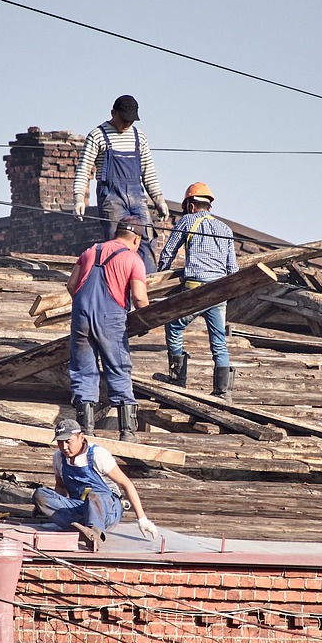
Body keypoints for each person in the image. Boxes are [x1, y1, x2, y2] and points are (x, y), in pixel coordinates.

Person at [67, 222, 150, 441]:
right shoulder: (133, 259)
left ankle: (85, 430)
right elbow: (140, 297)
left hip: (81, 316)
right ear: (136, 240)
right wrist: (148, 319)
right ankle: (127, 432)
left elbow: (71, 285)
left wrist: (87, 306)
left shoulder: (90, 251)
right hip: (111, 318)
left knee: (83, 370)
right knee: (118, 368)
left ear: (116, 234)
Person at [156, 182, 239, 400]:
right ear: (209, 205)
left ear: (191, 206)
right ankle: (223, 392)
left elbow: (167, 254)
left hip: (195, 289)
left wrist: (159, 279)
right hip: (219, 290)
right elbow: (233, 269)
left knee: (174, 326)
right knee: (219, 341)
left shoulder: (187, 220)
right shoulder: (225, 229)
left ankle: (178, 380)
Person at [71, 94, 170, 273]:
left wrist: (159, 200)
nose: (127, 124)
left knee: (145, 238)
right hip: (111, 198)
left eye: (131, 120)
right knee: (117, 243)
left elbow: (148, 171)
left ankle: (144, 284)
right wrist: (79, 198)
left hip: (137, 197)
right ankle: (118, 281)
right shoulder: (97, 135)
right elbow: (83, 169)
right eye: (124, 119)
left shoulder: (139, 136)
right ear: (113, 113)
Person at [33, 418, 157, 551]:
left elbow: (126, 484)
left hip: (107, 508)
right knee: (40, 494)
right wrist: (48, 506)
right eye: (59, 442)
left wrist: (142, 519)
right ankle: (78, 529)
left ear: (81, 437)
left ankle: (94, 533)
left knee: (93, 496)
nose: (64, 447)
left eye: (68, 442)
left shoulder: (98, 455)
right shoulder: (58, 457)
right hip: (80, 506)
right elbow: (61, 487)